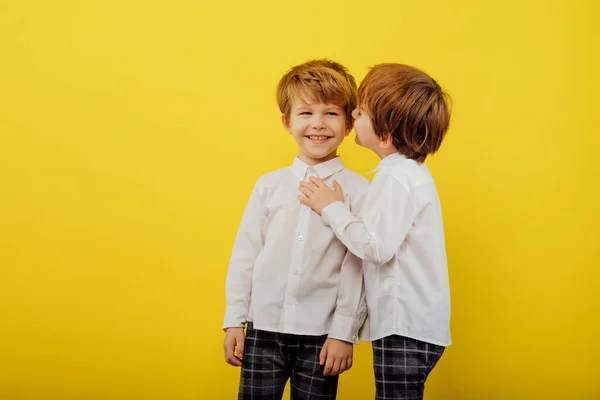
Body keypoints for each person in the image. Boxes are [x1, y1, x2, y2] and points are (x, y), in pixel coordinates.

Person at [299, 63, 452, 400]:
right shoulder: (407, 173)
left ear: (384, 135)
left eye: (361, 111)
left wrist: (331, 208)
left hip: (405, 326)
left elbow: (375, 247)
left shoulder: (395, 179)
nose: (353, 113)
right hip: (413, 325)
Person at [223, 59, 369, 400]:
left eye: (331, 113)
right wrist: (234, 319)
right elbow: (246, 253)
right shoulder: (268, 186)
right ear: (287, 122)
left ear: (349, 123)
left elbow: (357, 266)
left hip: (322, 335)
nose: (318, 124)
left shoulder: (359, 191)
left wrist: (343, 333)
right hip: (263, 328)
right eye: (306, 113)